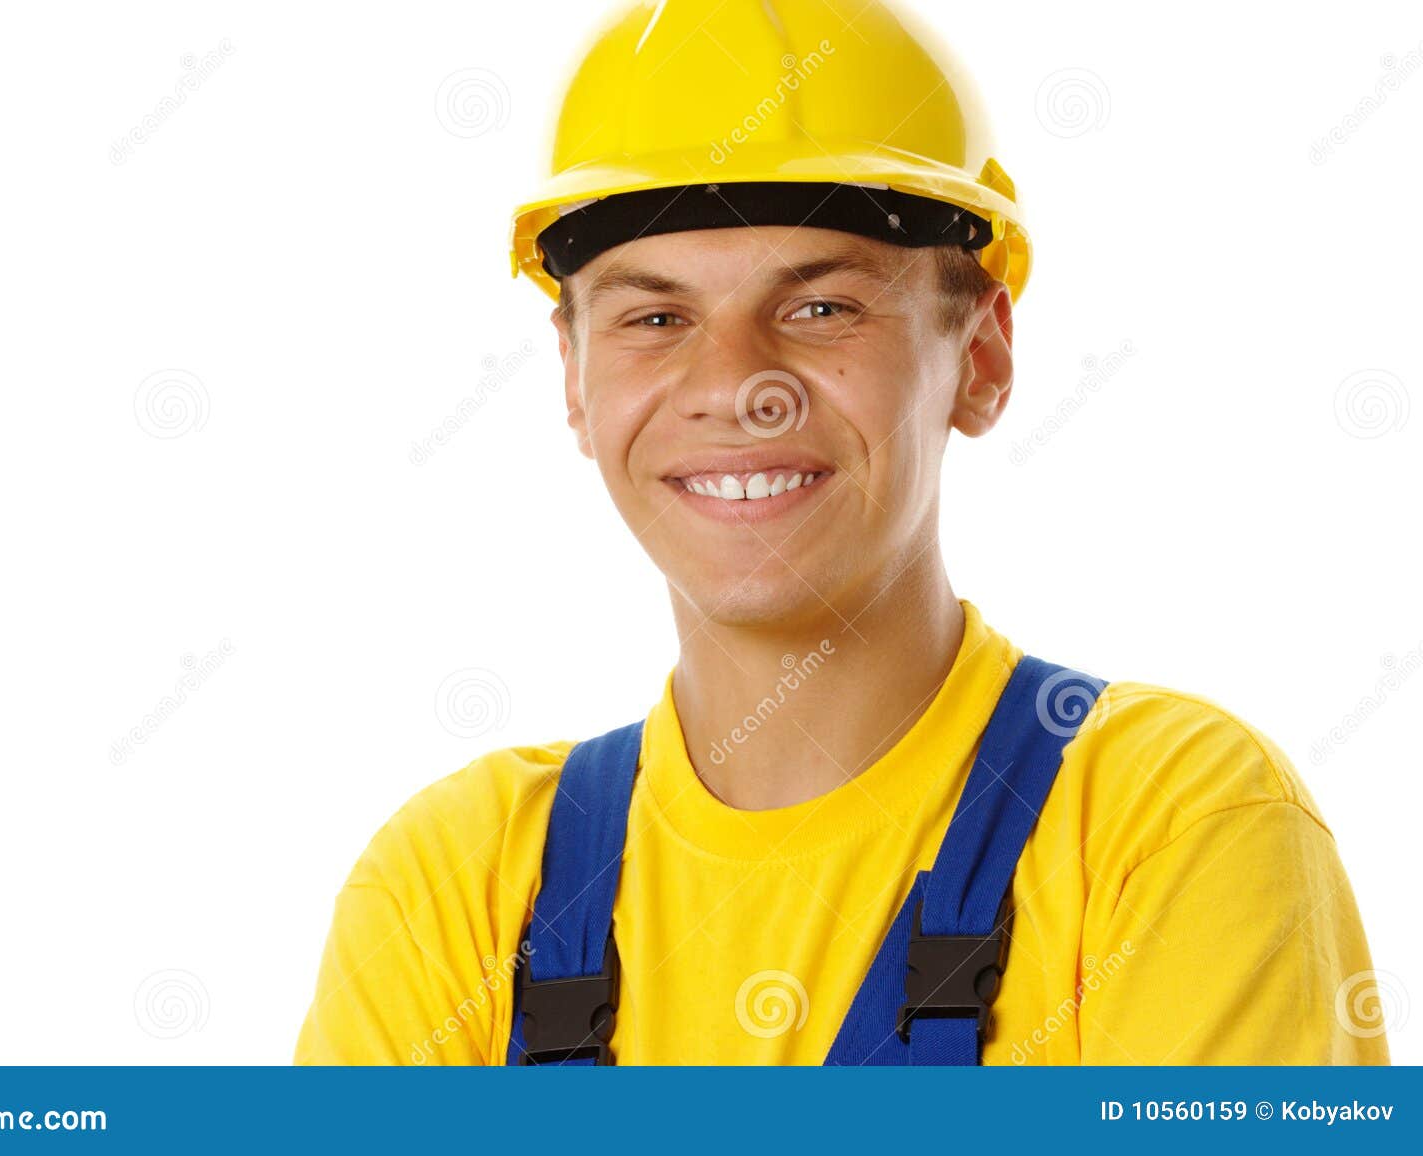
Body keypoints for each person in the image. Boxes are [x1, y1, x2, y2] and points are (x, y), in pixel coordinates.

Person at [294, 0, 1388, 1065]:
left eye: (821, 307)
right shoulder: (459, 889)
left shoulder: (1167, 826)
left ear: (982, 356)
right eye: (654, 318)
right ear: (574, 381)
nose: (736, 387)